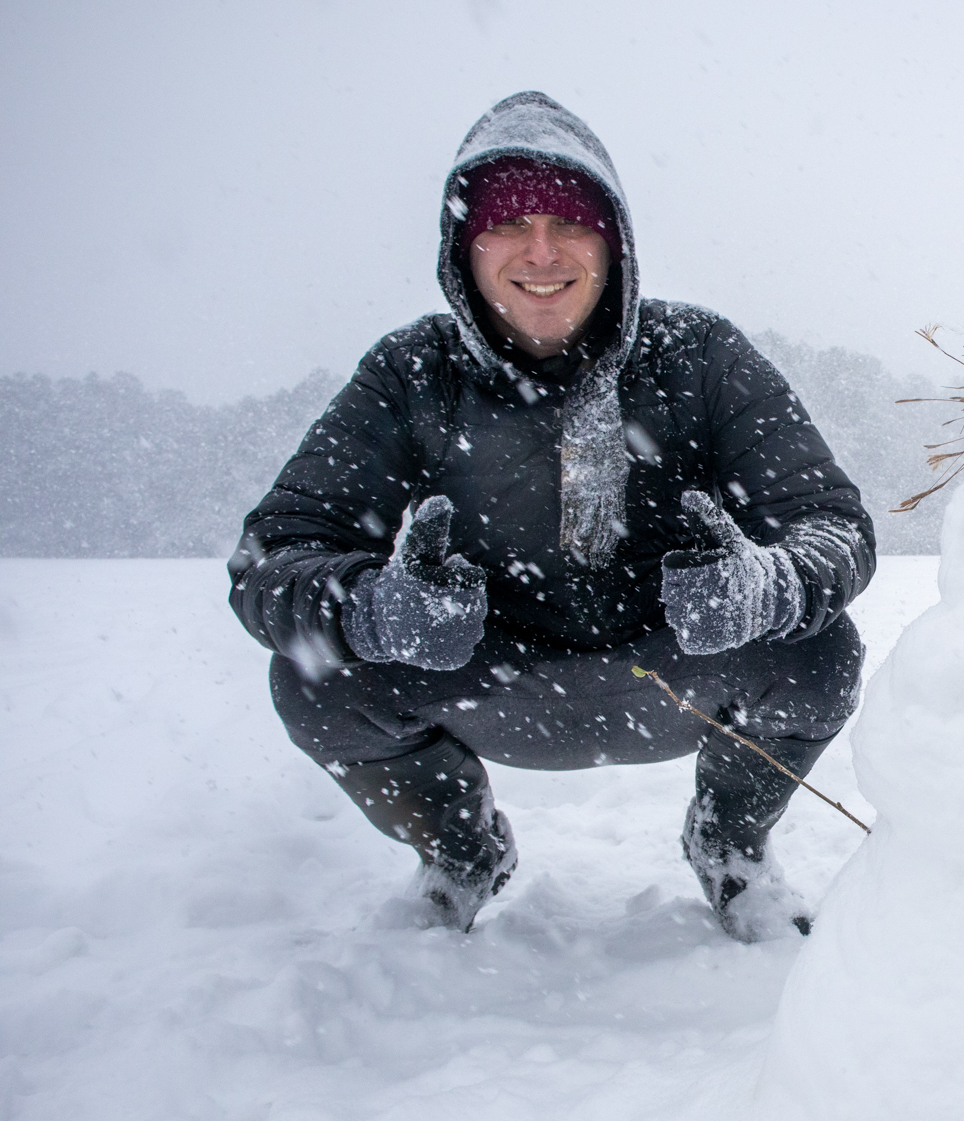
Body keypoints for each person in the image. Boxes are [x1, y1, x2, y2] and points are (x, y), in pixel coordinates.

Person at [228, 92, 873, 939]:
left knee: (821, 652)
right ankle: (462, 853)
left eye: (570, 221)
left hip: (670, 671)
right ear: (466, 245)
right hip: (487, 677)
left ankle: (730, 846)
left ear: (614, 241)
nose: (541, 250)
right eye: (507, 221)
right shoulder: (410, 374)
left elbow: (834, 526)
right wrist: (377, 609)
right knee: (314, 678)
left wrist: (766, 586)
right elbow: (271, 559)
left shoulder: (701, 356)